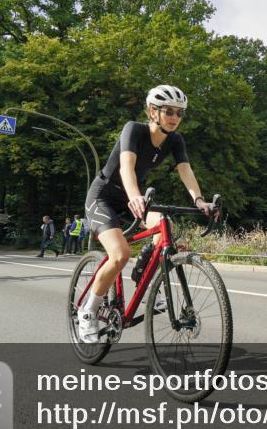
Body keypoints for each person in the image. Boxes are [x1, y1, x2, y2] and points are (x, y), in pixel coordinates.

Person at [77, 85, 216, 343]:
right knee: (119, 254)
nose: (175, 117)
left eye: (180, 113)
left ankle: (142, 273)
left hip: (133, 198)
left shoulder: (175, 140)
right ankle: (88, 311)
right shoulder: (134, 129)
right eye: (169, 111)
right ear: (153, 111)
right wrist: (134, 197)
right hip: (104, 197)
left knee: (164, 223)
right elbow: (126, 167)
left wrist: (199, 200)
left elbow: (185, 170)